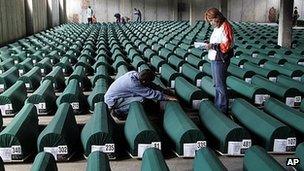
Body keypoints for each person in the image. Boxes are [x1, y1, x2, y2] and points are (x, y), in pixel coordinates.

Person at [104, 69, 176, 119]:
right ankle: (119, 112)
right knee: (141, 99)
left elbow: (150, 85)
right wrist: (168, 97)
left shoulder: (135, 74)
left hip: (119, 96)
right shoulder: (133, 83)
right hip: (114, 101)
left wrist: (162, 90)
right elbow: (150, 93)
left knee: (142, 96)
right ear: (144, 81)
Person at [204, 8, 234, 115]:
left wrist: (212, 45)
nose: (211, 23)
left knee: (220, 85)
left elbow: (227, 46)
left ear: (217, 17)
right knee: (217, 84)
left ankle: (222, 109)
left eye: (212, 20)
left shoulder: (226, 26)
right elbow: (218, 41)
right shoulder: (218, 27)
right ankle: (218, 106)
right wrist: (209, 44)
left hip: (221, 59)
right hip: (215, 58)